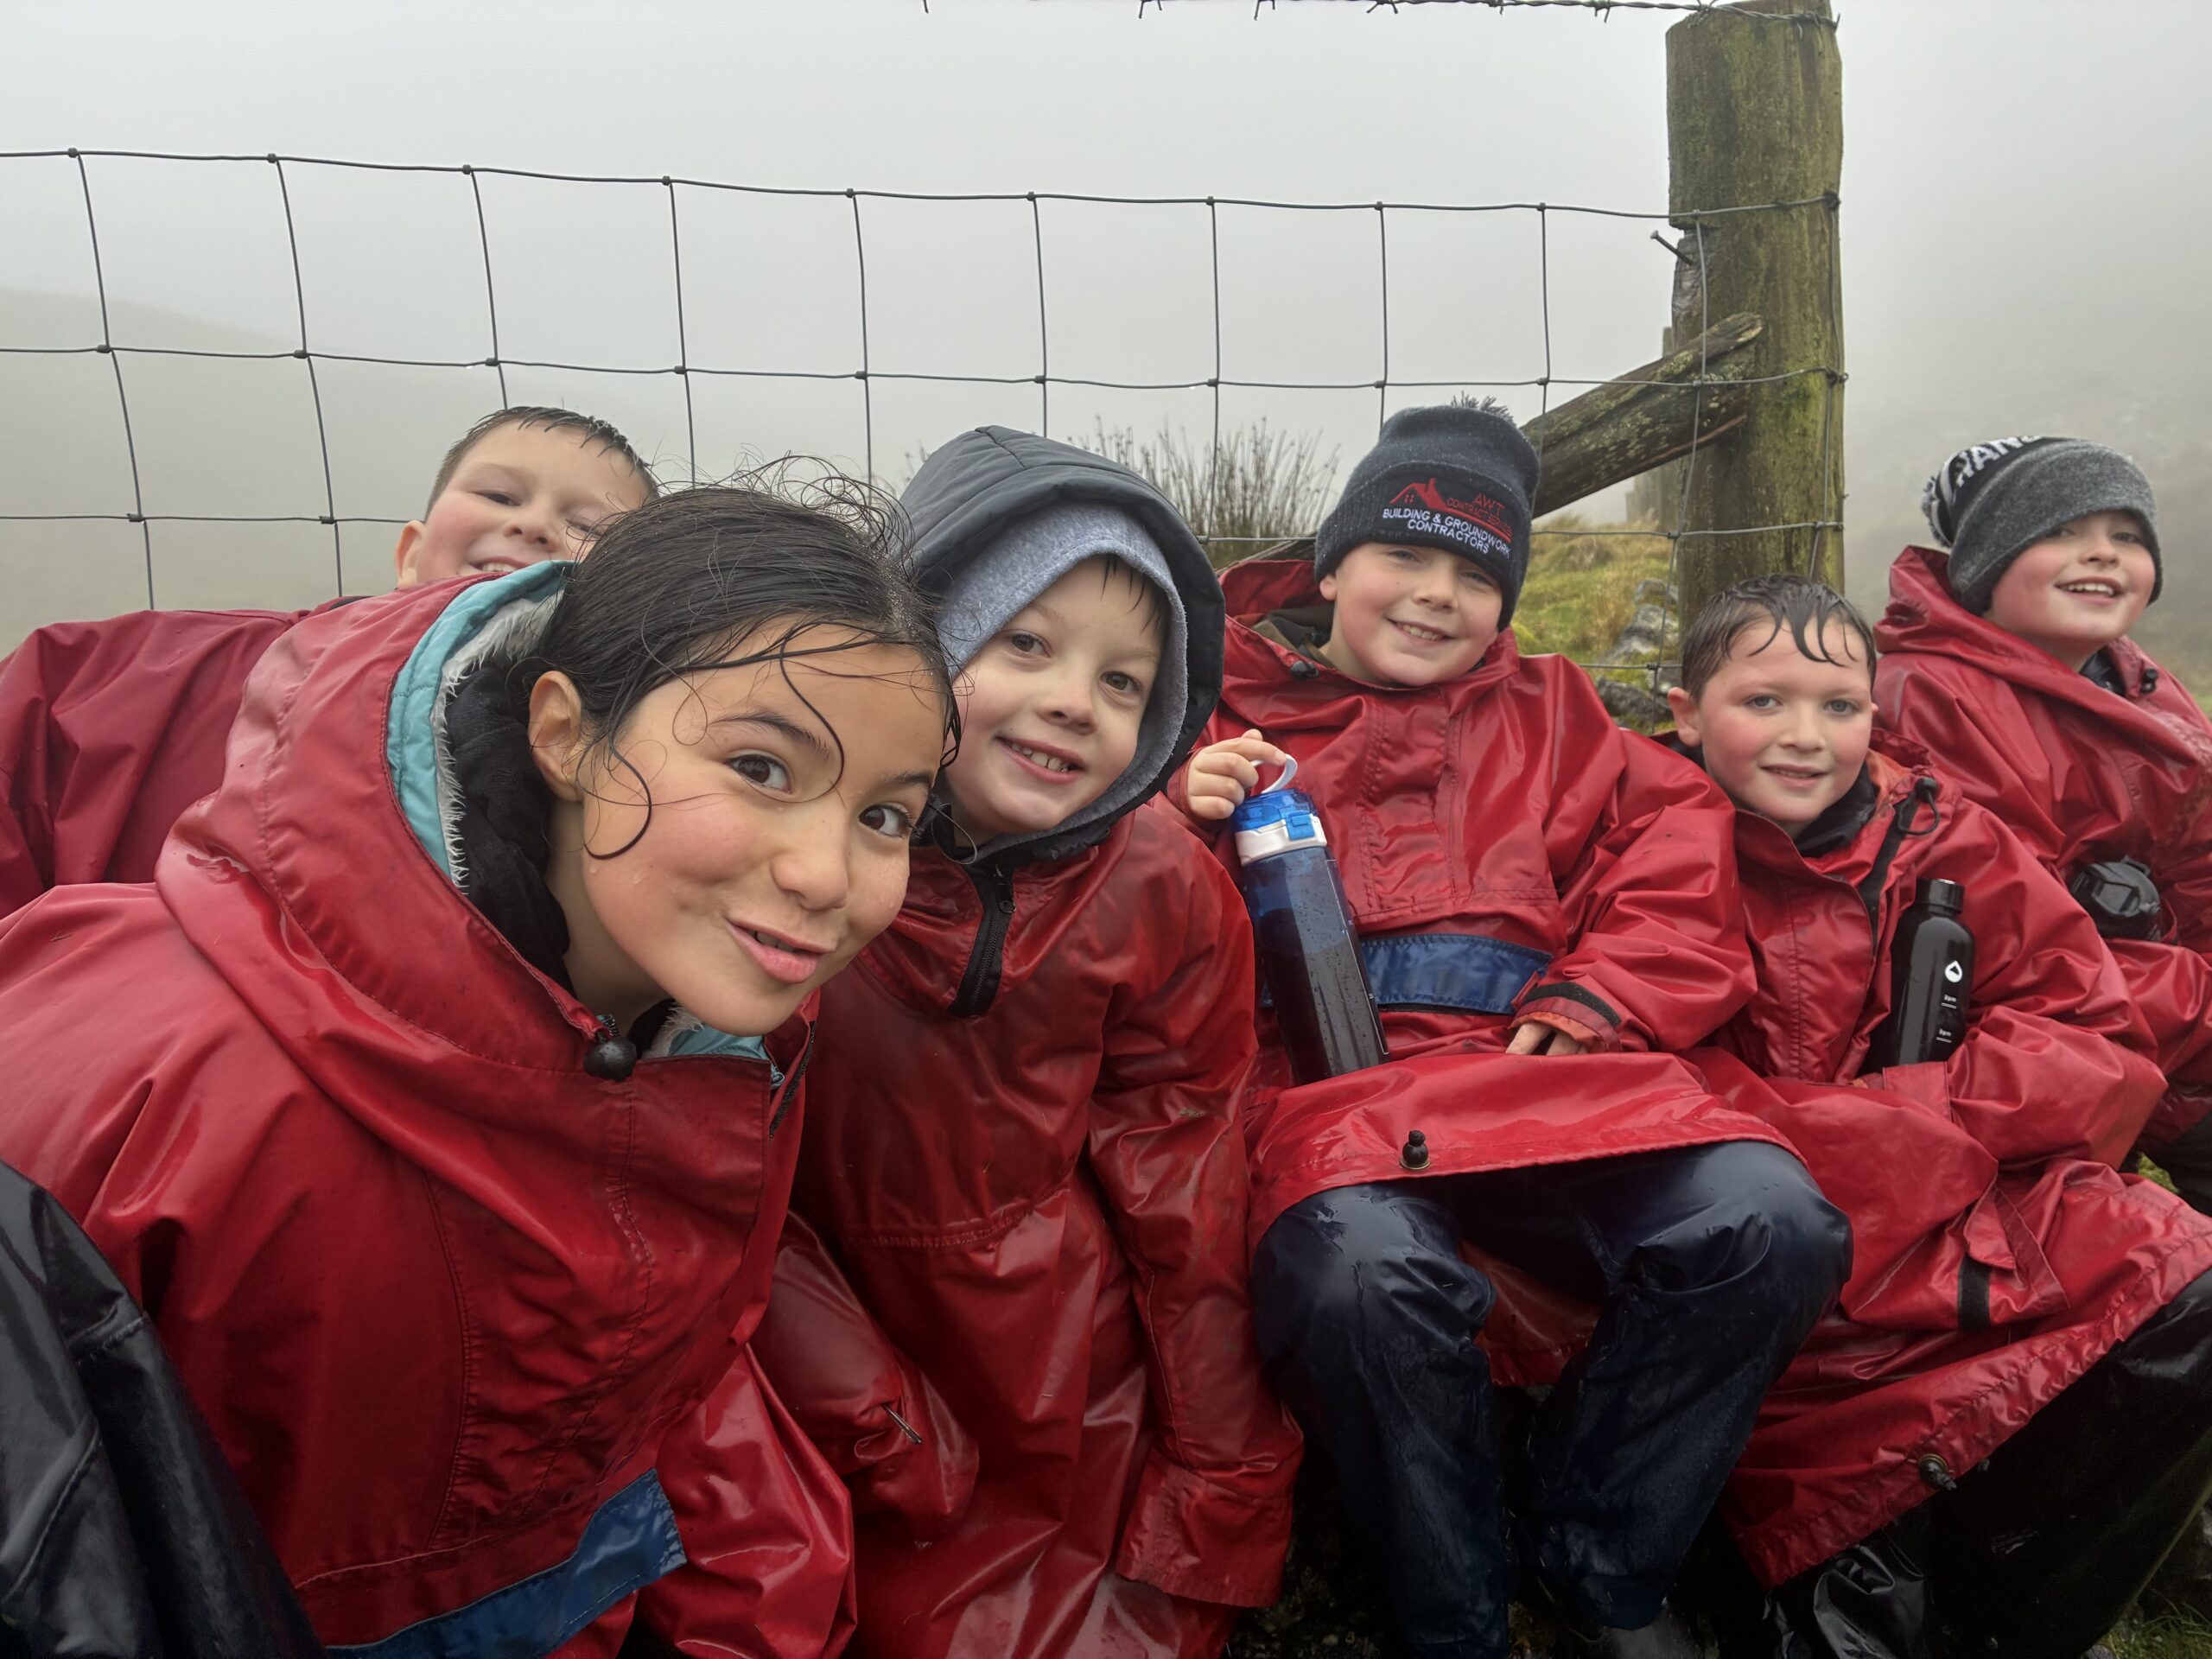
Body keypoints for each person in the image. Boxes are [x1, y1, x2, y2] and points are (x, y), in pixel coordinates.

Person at [0, 481, 956, 1654]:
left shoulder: (728, 1060)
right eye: (761, 767)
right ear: (564, 734)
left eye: (885, 817)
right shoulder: (148, 1070)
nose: (827, 874)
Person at [1167, 402, 1849, 1659]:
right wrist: (1177, 817)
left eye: (1476, 575)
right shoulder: (1204, 710)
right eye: (1403, 555)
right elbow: (1107, 899)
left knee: (1770, 1220)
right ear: (1332, 567)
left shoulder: (1560, 711)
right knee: (1360, 1282)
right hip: (1318, 1103)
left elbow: (1675, 851)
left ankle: (1597, 1562)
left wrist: (1601, 997)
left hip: (1546, 1087)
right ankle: (1457, 1615)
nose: (1437, 595)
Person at [745, 427, 1301, 1659]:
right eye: (1026, 644)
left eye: (1125, 682)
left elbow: (1186, 1190)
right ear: (920, 642)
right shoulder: (792, 865)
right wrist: (862, 1400)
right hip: (821, 1328)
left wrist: (1222, 1470)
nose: (1072, 701)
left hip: (1061, 1340)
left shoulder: (1162, 886)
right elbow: (723, 1177)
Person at [1667, 574, 2212, 1659]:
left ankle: (1998, 1610)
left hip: (1949, 1213)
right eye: (1764, 701)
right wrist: (1862, 1142)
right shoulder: (1637, 836)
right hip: (1749, 1249)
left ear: (1874, 712)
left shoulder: (1945, 835)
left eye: (1838, 705)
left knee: (2179, 1272)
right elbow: (1620, 1070)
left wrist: (1914, 1119)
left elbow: (2088, 1034)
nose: (1804, 736)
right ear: (1685, 712)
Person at [0, 404, 656, 917]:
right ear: (410, 555)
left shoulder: (636, 775)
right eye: (500, 496)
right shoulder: (116, 677)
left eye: (588, 527)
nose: (534, 525)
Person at [1872, 436, 2212, 1212]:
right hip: (2042, 1042)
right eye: (2059, 530)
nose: (2103, 553)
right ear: (1986, 563)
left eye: (2127, 535)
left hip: (2154, 1013)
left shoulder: (2140, 682)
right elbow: (2020, 945)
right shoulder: (1936, 698)